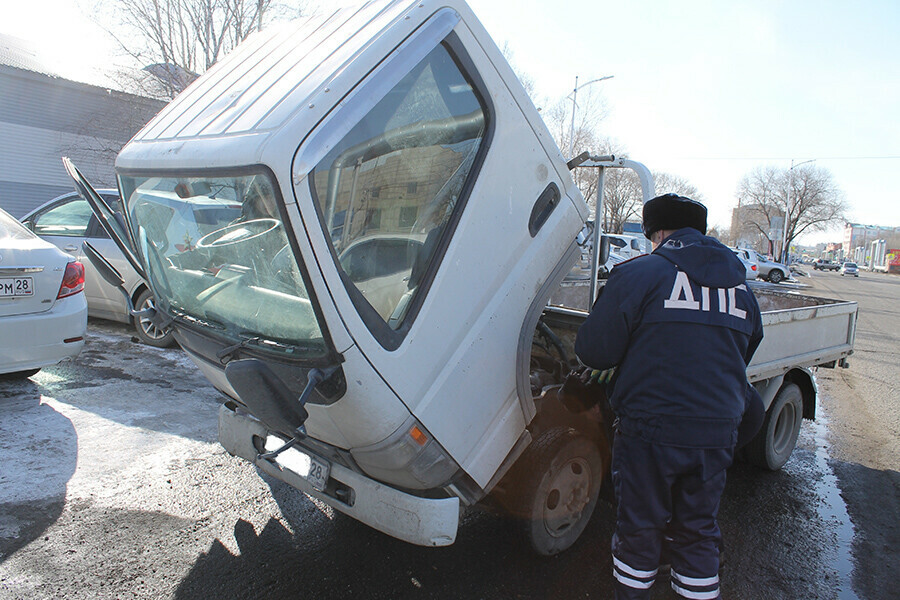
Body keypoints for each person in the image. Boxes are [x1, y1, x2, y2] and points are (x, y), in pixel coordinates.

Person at [574, 193, 763, 600]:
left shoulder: (640, 274)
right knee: (697, 532)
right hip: (717, 433)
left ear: (656, 233)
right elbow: (744, 352)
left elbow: (594, 352)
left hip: (649, 432)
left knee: (640, 530)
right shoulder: (741, 290)